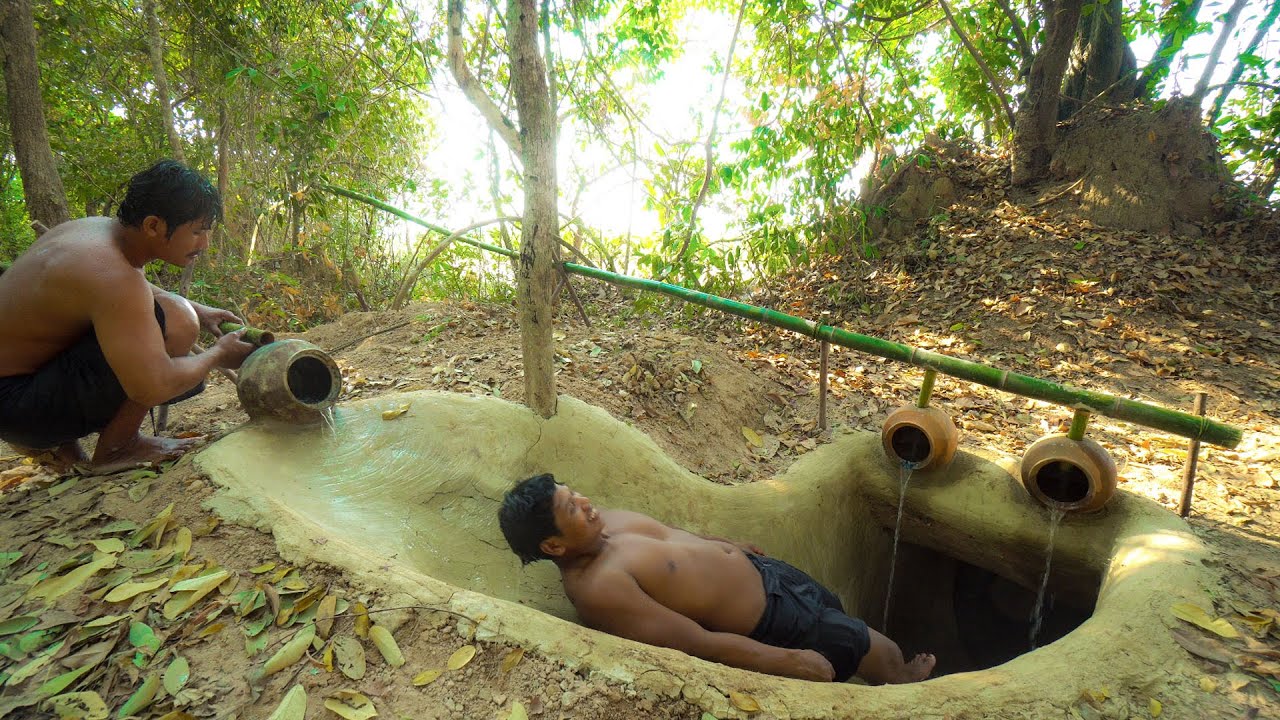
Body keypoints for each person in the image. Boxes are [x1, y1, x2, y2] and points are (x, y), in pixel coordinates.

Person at [498, 473, 936, 684]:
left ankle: (881, 668)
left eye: (575, 493)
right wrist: (783, 660)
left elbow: (672, 539)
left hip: (768, 576)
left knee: (836, 610)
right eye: (571, 508)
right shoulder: (599, 589)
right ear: (553, 546)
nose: (586, 502)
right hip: (773, 621)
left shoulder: (601, 527)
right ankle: (899, 685)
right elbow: (692, 642)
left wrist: (727, 545)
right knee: (873, 647)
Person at [0, 160, 255, 472]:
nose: (204, 243)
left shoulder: (97, 231)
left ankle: (63, 449)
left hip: (18, 384)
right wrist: (218, 354)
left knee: (178, 311)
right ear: (152, 226)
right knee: (177, 320)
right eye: (197, 232)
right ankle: (119, 448)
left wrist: (200, 310)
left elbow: (119, 290)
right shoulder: (112, 274)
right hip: (17, 405)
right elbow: (153, 386)